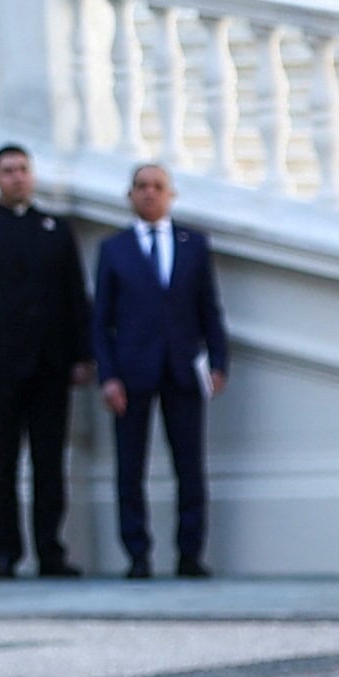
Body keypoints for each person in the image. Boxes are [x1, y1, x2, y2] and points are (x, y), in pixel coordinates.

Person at [0, 142, 92, 580]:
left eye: (23, 169)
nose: (17, 177)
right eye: (8, 171)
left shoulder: (56, 229)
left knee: (50, 463)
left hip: (52, 365)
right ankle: (5, 553)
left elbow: (75, 296)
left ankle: (51, 551)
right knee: (3, 462)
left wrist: (82, 354)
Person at [95, 161, 229, 579]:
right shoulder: (113, 249)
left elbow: (209, 307)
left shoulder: (194, 244)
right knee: (129, 467)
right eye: (141, 186)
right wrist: (108, 375)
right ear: (130, 195)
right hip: (132, 372)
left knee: (190, 465)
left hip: (183, 369)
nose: (149, 193)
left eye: (157, 186)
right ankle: (137, 554)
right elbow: (101, 319)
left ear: (171, 195)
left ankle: (190, 553)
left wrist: (219, 361)